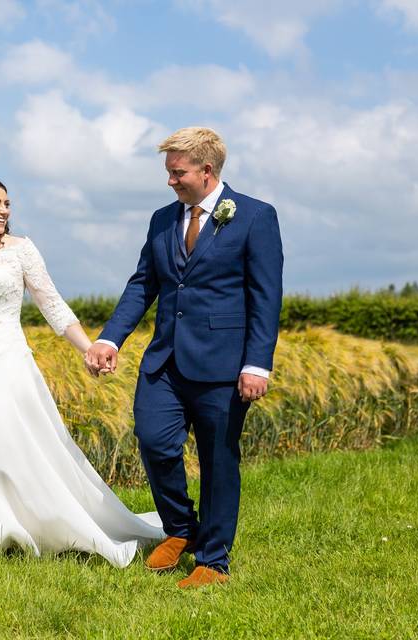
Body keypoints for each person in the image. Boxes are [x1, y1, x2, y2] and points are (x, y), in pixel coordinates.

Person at [0, 175, 164, 567]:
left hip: (7, 364)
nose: (4, 211)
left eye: (7, 204)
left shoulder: (22, 250)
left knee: (15, 448)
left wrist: (89, 348)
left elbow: (53, 306)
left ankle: (33, 522)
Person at [85, 127, 284, 589]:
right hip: (164, 362)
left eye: (178, 173)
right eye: (169, 172)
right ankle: (180, 529)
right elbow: (143, 285)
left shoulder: (255, 216)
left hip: (224, 365)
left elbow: (266, 296)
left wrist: (257, 364)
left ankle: (213, 561)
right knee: (154, 440)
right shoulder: (161, 219)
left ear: (207, 170)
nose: (170, 182)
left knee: (218, 460)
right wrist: (110, 339)